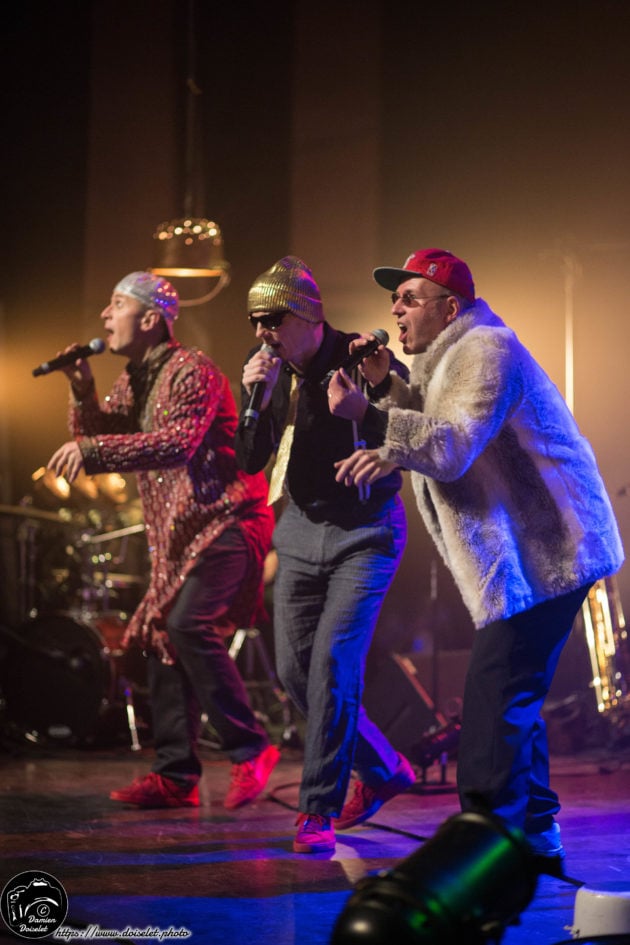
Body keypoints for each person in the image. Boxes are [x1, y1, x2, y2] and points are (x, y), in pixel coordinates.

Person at [331, 247, 624, 862]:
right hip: (531, 553)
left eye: (409, 298)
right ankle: (536, 831)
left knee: (496, 695)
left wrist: (368, 413)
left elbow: (452, 446)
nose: (395, 308)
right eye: (396, 298)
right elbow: (437, 420)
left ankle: (483, 843)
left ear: (449, 308)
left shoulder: (486, 350)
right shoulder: (453, 357)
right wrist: (387, 385)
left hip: (553, 548)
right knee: (513, 692)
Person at [47, 271, 279, 810]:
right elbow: (99, 436)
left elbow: (177, 444)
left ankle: (250, 747)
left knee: (184, 622)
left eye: (115, 304)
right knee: (160, 635)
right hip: (179, 534)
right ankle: (176, 775)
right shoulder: (133, 379)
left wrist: (94, 453)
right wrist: (81, 386)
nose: (105, 316)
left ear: (150, 319)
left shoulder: (191, 370)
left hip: (228, 520)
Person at [234, 256, 415, 853]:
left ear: (309, 315)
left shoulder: (360, 354)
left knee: (334, 666)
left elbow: (409, 420)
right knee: (295, 672)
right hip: (301, 532)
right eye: (256, 319)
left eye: (273, 318)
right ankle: (385, 766)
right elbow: (250, 461)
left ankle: (318, 811)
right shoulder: (273, 372)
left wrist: (378, 385)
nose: (263, 330)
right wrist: (252, 395)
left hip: (364, 535)